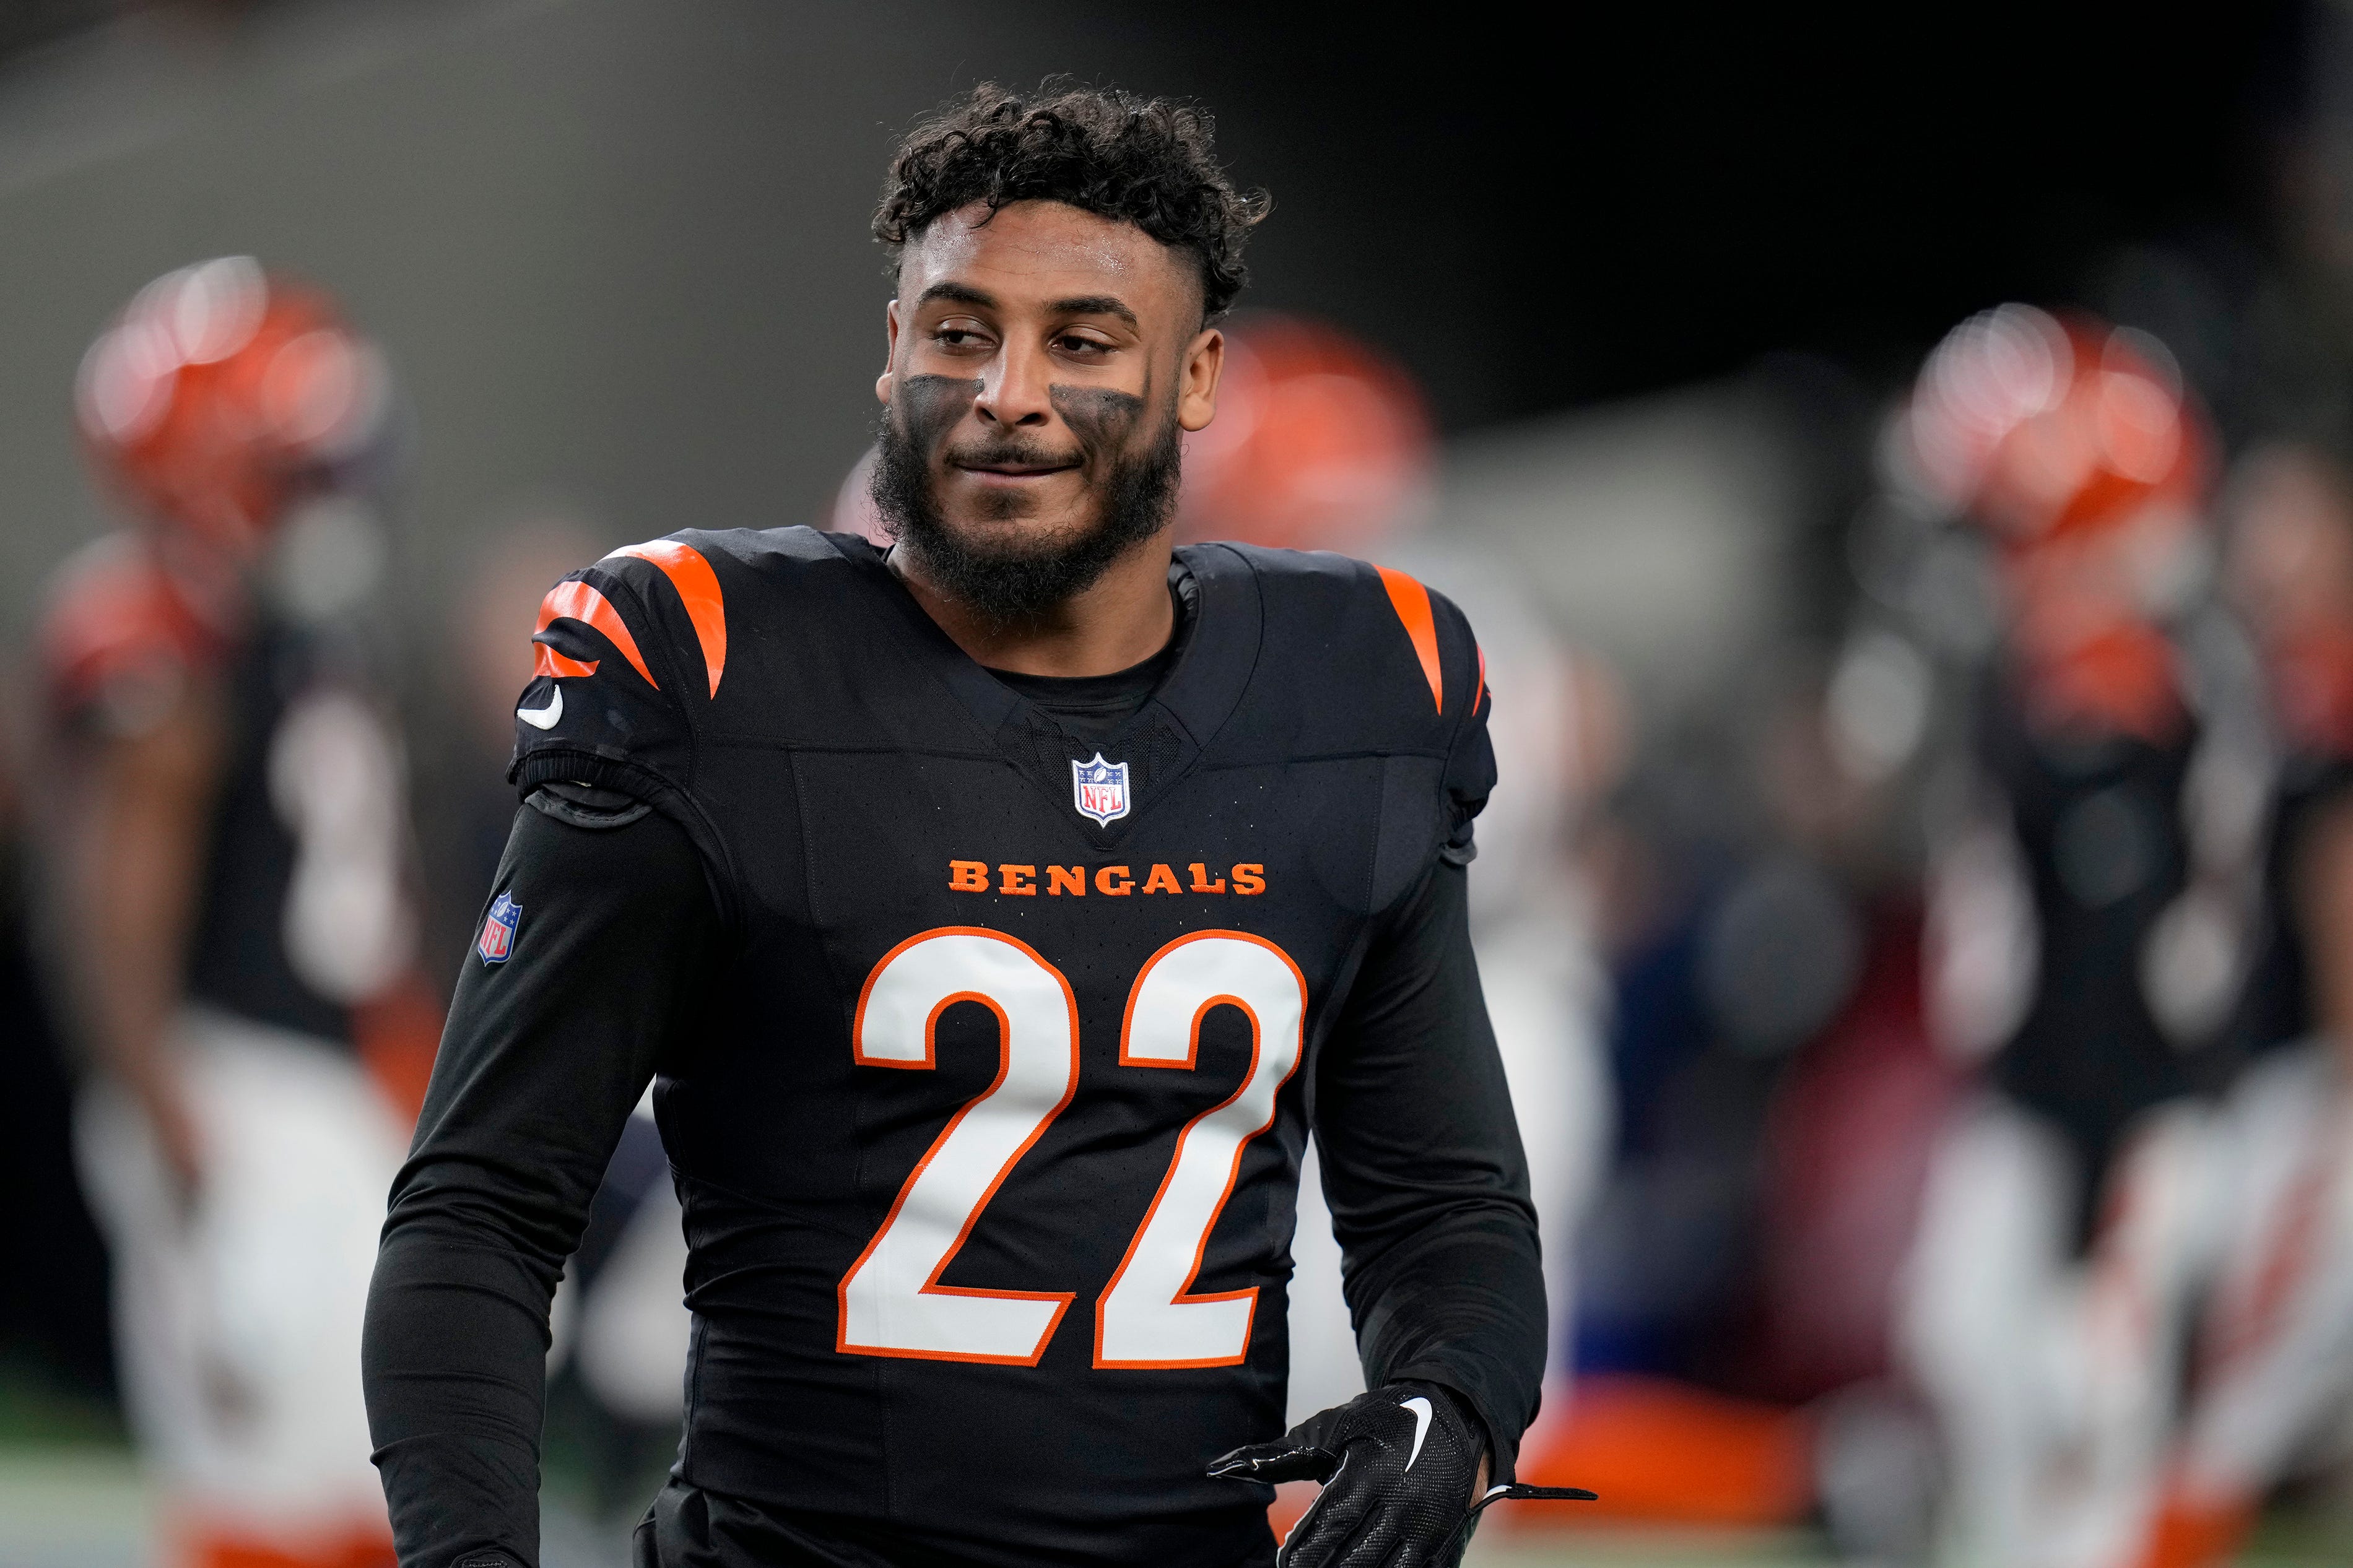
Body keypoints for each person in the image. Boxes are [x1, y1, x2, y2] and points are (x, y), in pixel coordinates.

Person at [363, 82, 1586, 1568]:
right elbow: (483, 1209)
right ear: (892, 353)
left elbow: (1444, 1200)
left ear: (1195, 378)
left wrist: (1451, 1399)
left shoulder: (1358, 691)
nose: (1008, 388)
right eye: (959, 330)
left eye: (1080, 340)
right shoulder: (714, 668)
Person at [43, 256, 429, 1568]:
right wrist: (175, 1136)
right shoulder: (151, 628)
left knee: (373, 1492)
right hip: (234, 1095)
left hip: (322, 1091)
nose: (329, 497)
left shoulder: (281, 628)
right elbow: (113, 905)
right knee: (276, 1507)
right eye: (295, 468)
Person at [1896, 305, 2263, 1568]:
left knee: (2087, 1390)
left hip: (2145, 1105)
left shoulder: (2153, 693)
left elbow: (2166, 975)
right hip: (2038, 1093)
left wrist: (2108, 1203)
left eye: (1997, 525)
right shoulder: (2029, 687)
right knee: (1953, 1338)